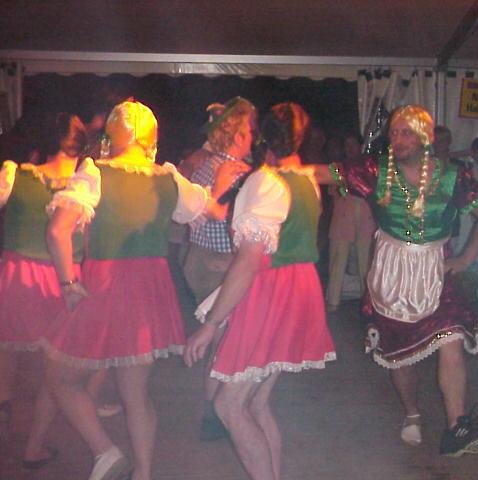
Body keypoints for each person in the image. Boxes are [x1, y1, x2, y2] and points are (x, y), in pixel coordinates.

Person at [43, 100, 244, 480]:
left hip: (105, 285)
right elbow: (212, 210)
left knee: (61, 378)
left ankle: (105, 452)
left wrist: (68, 282)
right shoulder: (168, 177)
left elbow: (57, 231)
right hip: (149, 291)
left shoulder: (95, 172)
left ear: (112, 136)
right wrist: (218, 188)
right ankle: (143, 473)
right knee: (135, 395)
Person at [328, 105, 478, 456]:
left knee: (451, 335)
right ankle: (412, 413)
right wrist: (282, 169)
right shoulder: (375, 170)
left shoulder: (453, 176)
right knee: (400, 355)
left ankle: (457, 427)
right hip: (391, 274)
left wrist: (466, 258)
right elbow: (325, 173)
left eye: (406, 132)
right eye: (394, 132)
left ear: (425, 137)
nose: (398, 139)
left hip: (436, 271)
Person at [184, 103, 336, 480]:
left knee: (229, 406)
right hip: (299, 290)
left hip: (272, 294)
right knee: (256, 404)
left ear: (263, 137)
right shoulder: (306, 181)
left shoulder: (265, 182)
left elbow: (251, 259)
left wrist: (211, 324)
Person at [0, 113, 86, 467]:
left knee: (6, 360)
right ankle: (33, 446)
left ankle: (6, 431)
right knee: (54, 372)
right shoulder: (87, 185)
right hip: (64, 279)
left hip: (16, 275)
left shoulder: (14, 174)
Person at [181, 97, 257, 441]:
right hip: (218, 261)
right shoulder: (233, 170)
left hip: (202, 257)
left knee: (222, 339)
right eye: (249, 131)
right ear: (238, 135)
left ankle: (216, 412)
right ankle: (215, 415)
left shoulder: (207, 165)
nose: (253, 137)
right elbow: (224, 216)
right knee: (223, 341)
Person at [325, 133, 376, 312]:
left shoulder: (370, 165)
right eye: (347, 145)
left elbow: (374, 190)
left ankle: (369, 305)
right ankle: (332, 303)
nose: (350, 149)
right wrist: (348, 186)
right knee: (337, 260)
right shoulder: (336, 167)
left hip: (365, 219)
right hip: (343, 218)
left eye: (353, 144)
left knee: (366, 263)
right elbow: (336, 190)